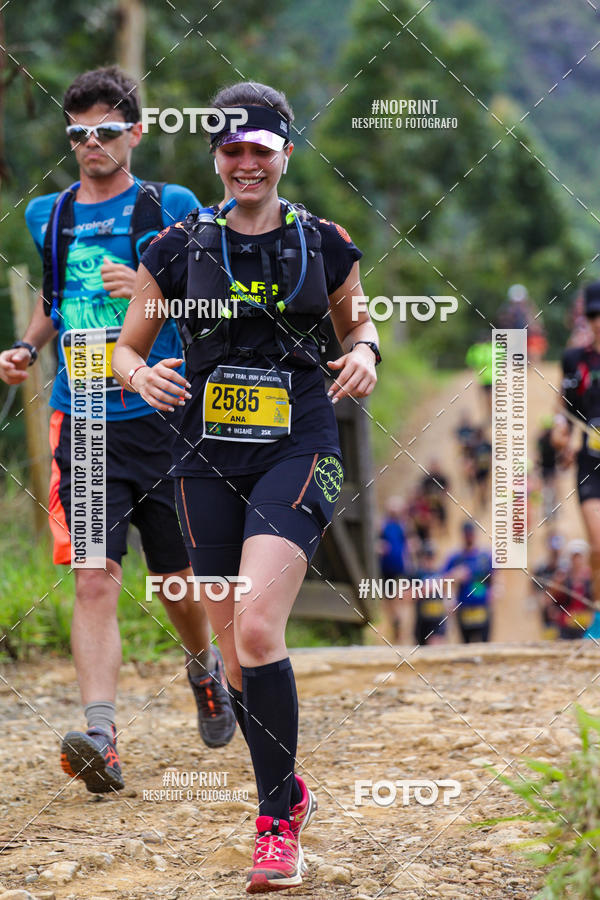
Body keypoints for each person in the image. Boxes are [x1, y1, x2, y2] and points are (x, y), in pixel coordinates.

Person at [112, 81, 380, 893]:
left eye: (260, 150)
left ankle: (273, 827)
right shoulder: (176, 247)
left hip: (298, 446)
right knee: (235, 659)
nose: (245, 164)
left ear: (284, 155)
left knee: (259, 629)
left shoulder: (325, 243)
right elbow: (126, 350)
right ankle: (291, 788)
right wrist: (137, 376)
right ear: (216, 159)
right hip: (201, 458)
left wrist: (365, 352)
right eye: (231, 151)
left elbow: (357, 319)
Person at [0, 67, 236, 795]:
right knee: (94, 580)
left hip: (166, 417)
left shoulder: (175, 205)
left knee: (174, 582)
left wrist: (148, 289)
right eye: (78, 133)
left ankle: (205, 668)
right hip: (89, 418)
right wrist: (30, 344)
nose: (90, 144)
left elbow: (219, 295)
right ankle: (101, 734)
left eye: (105, 130)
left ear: (136, 132)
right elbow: (53, 292)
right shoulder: (50, 212)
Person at [552, 281, 600, 611]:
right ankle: (598, 610)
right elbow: (563, 411)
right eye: (594, 314)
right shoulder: (574, 360)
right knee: (599, 544)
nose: (599, 321)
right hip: (590, 465)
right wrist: (562, 437)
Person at [441, 521, 493, 643]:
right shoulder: (455, 558)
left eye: (471, 534)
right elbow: (442, 580)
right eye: (466, 534)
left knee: (485, 645)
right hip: (464, 608)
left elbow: (495, 577)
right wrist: (455, 576)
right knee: (466, 645)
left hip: (482, 607)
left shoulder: (485, 557)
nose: (469, 537)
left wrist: (494, 591)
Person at [378, 496, 410, 642]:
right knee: (388, 600)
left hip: (398, 568)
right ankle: (394, 624)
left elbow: (409, 545)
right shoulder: (383, 526)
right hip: (386, 568)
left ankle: (399, 627)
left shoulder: (403, 526)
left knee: (396, 598)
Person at [412, 541, 446, 646]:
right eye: (427, 556)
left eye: (432, 556)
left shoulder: (441, 573)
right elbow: (406, 595)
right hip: (422, 622)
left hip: (438, 621)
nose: (430, 560)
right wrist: (422, 590)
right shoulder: (417, 574)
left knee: (435, 647)